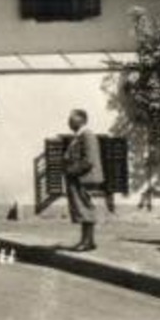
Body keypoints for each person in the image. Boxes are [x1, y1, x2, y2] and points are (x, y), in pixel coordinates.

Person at [63, 108, 104, 252]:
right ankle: (87, 241)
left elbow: (89, 160)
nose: (68, 121)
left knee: (86, 209)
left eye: (71, 118)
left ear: (81, 120)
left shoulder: (87, 135)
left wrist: (71, 171)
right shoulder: (79, 136)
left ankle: (87, 242)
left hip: (85, 178)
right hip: (81, 178)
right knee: (83, 209)